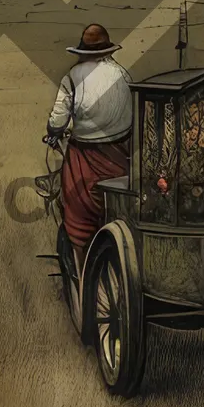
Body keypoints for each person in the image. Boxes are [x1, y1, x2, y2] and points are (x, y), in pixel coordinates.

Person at [45, 23, 133, 271]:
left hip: (84, 156)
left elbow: (58, 120)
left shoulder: (72, 77)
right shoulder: (123, 74)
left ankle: (84, 270)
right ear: (107, 50)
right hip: (119, 154)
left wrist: (53, 132)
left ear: (83, 51)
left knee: (77, 209)